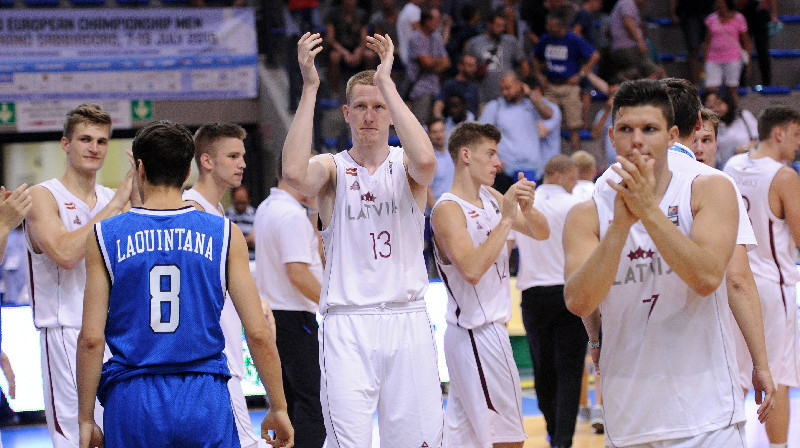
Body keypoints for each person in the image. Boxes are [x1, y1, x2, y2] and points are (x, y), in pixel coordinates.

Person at [76, 120, 293, 448]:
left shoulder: (104, 235)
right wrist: (278, 405)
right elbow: (259, 333)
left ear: (140, 168)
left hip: (132, 394)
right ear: (189, 170)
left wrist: (86, 418)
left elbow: (91, 340)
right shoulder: (224, 233)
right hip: (204, 393)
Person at [563, 79, 747, 447]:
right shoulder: (586, 212)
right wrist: (620, 228)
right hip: (630, 414)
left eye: (650, 129)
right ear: (612, 136)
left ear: (672, 135)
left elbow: (708, 277)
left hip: (707, 415)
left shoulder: (710, 188)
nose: (638, 140)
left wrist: (647, 210)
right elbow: (579, 302)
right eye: (627, 130)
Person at [282, 32, 444, 447]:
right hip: (347, 324)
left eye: (378, 107)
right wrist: (310, 87)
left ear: (391, 112)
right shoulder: (331, 169)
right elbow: (294, 174)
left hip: (407, 317)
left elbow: (428, 161)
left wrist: (388, 83)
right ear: (347, 113)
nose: (369, 115)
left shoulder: (407, 165)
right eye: (361, 107)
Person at [592, 77, 776, 427]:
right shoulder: (712, 182)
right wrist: (760, 364)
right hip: (702, 389)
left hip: (630, 389)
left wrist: (594, 340)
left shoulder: (605, 184)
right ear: (692, 127)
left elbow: (591, 279)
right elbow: (735, 280)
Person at [24, 104, 136, 448]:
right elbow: (65, 254)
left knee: (117, 435)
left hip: (111, 334)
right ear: (65, 144)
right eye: (85, 139)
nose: (94, 148)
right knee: (77, 440)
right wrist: (118, 205)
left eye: (102, 141)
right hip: (64, 330)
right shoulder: (43, 196)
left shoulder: (110, 198)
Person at [431, 122, 548, 448]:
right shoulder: (448, 209)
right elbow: (470, 269)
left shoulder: (491, 197)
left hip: (487, 333)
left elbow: (541, 232)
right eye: (491, 153)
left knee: (466, 440)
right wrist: (508, 219)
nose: (499, 163)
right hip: (474, 334)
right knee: (507, 440)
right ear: (466, 155)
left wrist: (526, 207)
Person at [182, 122, 270, 448]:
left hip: (221, 356)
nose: (242, 163)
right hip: (212, 360)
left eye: (243, 155)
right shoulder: (191, 211)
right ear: (206, 161)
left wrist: (254, 301)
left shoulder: (217, 212)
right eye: (233, 156)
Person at [723, 105, 800, 448]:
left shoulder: (732, 166)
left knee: (734, 376)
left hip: (733, 281)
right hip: (771, 287)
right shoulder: (784, 176)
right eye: (796, 135)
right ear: (779, 133)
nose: (798, 144)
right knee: (777, 377)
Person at [511, 155, 586, 448]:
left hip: (533, 295)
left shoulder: (525, 206)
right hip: (568, 292)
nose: (574, 183)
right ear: (559, 175)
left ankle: (553, 428)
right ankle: (563, 440)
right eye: (572, 177)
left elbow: (510, 248)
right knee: (569, 370)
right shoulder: (575, 207)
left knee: (543, 368)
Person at [254, 165, 326, 448]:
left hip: (276, 317)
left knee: (292, 404)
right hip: (296, 319)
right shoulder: (290, 215)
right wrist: (331, 305)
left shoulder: (267, 208)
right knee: (314, 405)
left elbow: (310, 257)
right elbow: (297, 273)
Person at [533, 9, 599, 152]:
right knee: (547, 124)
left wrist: (581, 74)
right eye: (548, 24)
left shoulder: (573, 39)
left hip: (569, 88)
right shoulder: (545, 39)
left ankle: (576, 161)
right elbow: (535, 56)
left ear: (562, 26)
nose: (548, 28)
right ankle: (548, 158)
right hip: (550, 87)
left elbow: (594, 55)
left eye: (551, 25)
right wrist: (539, 75)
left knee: (573, 127)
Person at [479, 71, 554, 192]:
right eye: (502, 89)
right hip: (506, 171)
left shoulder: (531, 104)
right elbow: (481, 136)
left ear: (519, 85)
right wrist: (492, 158)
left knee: (530, 207)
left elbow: (549, 114)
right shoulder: (495, 107)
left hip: (532, 169)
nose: (504, 92)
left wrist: (529, 93)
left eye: (508, 88)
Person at [465, 10, 530, 105]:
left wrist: (516, 84)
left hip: (510, 98)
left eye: (503, 25)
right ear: (489, 24)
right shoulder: (474, 43)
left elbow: (525, 67)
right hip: (484, 98)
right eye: (498, 25)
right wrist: (476, 72)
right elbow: (467, 69)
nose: (502, 29)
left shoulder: (511, 41)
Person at [406, 7, 451, 125]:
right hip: (420, 89)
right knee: (420, 125)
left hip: (436, 88)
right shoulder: (416, 38)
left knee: (436, 125)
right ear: (427, 21)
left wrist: (433, 63)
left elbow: (447, 63)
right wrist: (436, 62)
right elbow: (426, 63)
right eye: (436, 20)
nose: (439, 23)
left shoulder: (437, 38)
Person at [702, 0, 751, 105]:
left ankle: (733, 114)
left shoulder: (739, 18)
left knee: (732, 88)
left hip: (733, 57)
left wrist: (748, 63)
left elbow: (746, 42)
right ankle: (711, 114)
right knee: (711, 89)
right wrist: (705, 61)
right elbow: (706, 42)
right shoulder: (711, 19)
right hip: (713, 58)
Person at [324, 0, 376, 96]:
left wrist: (359, 51)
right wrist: (345, 53)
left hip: (356, 48)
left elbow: (365, 38)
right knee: (334, 57)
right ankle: (335, 92)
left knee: (370, 56)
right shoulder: (332, 14)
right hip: (339, 48)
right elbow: (330, 39)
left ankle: (370, 87)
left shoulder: (361, 14)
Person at [702, 89, 758, 166]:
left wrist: (745, 148)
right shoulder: (716, 123)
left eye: (720, 104)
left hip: (748, 164)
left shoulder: (744, 116)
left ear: (728, 104)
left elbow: (758, 138)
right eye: (716, 105)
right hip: (726, 167)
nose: (717, 108)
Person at [608, 0, 657, 79]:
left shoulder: (627, 4)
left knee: (653, 72)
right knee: (649, 72)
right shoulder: (627, 2)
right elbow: (628, 22)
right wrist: (640, 41)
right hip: (627, 48)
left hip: (626, 48)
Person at [669, 0, 715, 85]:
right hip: (689, 13)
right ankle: (695, 84)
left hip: (708, 10)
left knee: (711, 48)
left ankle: (710, 82)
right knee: (693, 49)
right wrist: (673, 12)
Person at [433, 54, 480, 120]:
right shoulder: (449, 85)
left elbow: (477, 111)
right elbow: (438, 106)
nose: (474, 69)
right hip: (452, 125)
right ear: (460, 66)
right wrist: (440, 122)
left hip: (470, 125)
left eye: (475, 66)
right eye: (470, 66)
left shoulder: (474, 87)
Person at [226, 185, 257, 258]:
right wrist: (246, 241)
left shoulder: (256, 216)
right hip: (232, 262)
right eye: (238, 203)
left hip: (252, 261)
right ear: (232, 199)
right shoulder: (225, 216)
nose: (240, 206)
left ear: (249, 200)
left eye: (243, 203)